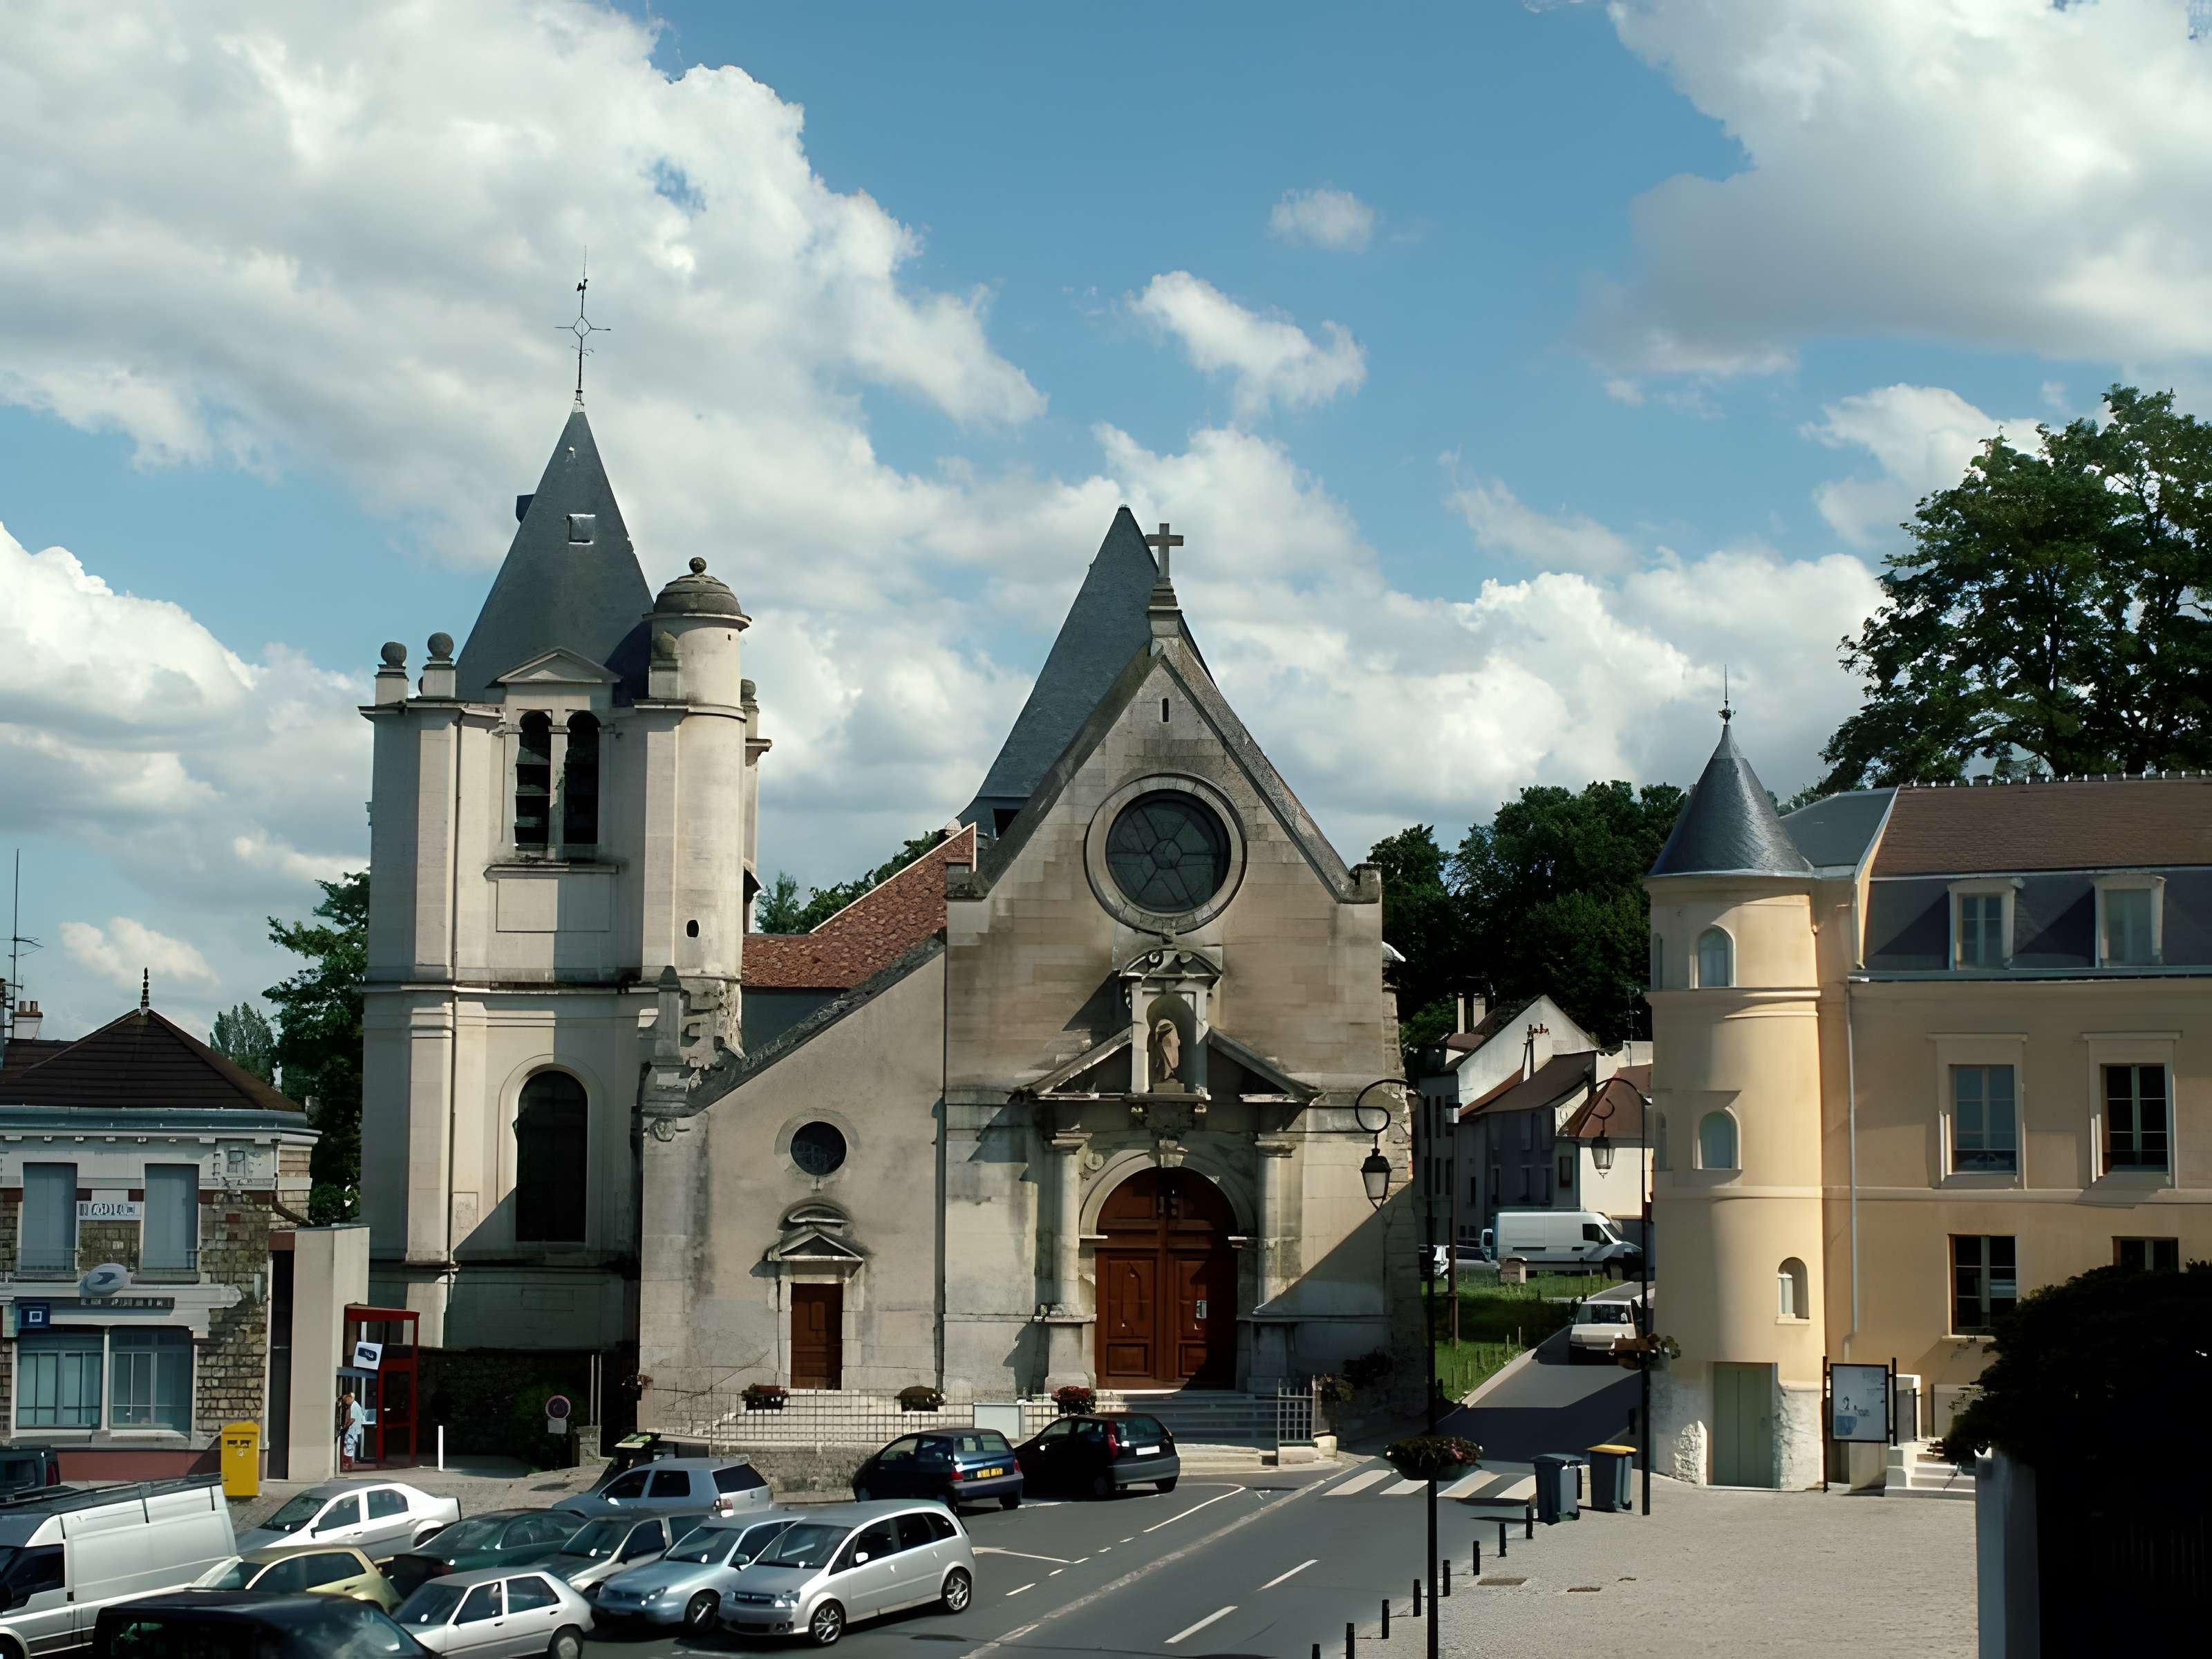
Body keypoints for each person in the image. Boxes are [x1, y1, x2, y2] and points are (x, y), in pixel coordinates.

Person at [339, 1389, 366, 1467]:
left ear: (349, 1398)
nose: (345, 1403)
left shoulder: (354, 1406)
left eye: (345, 1401)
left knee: (349, 1446)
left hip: (352, 1430)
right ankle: (348, 1463)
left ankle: (348, 1464)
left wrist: (345, 1427)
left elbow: (352, 1420)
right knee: (349, 1446)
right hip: (353, 1429)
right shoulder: (353, 1405)